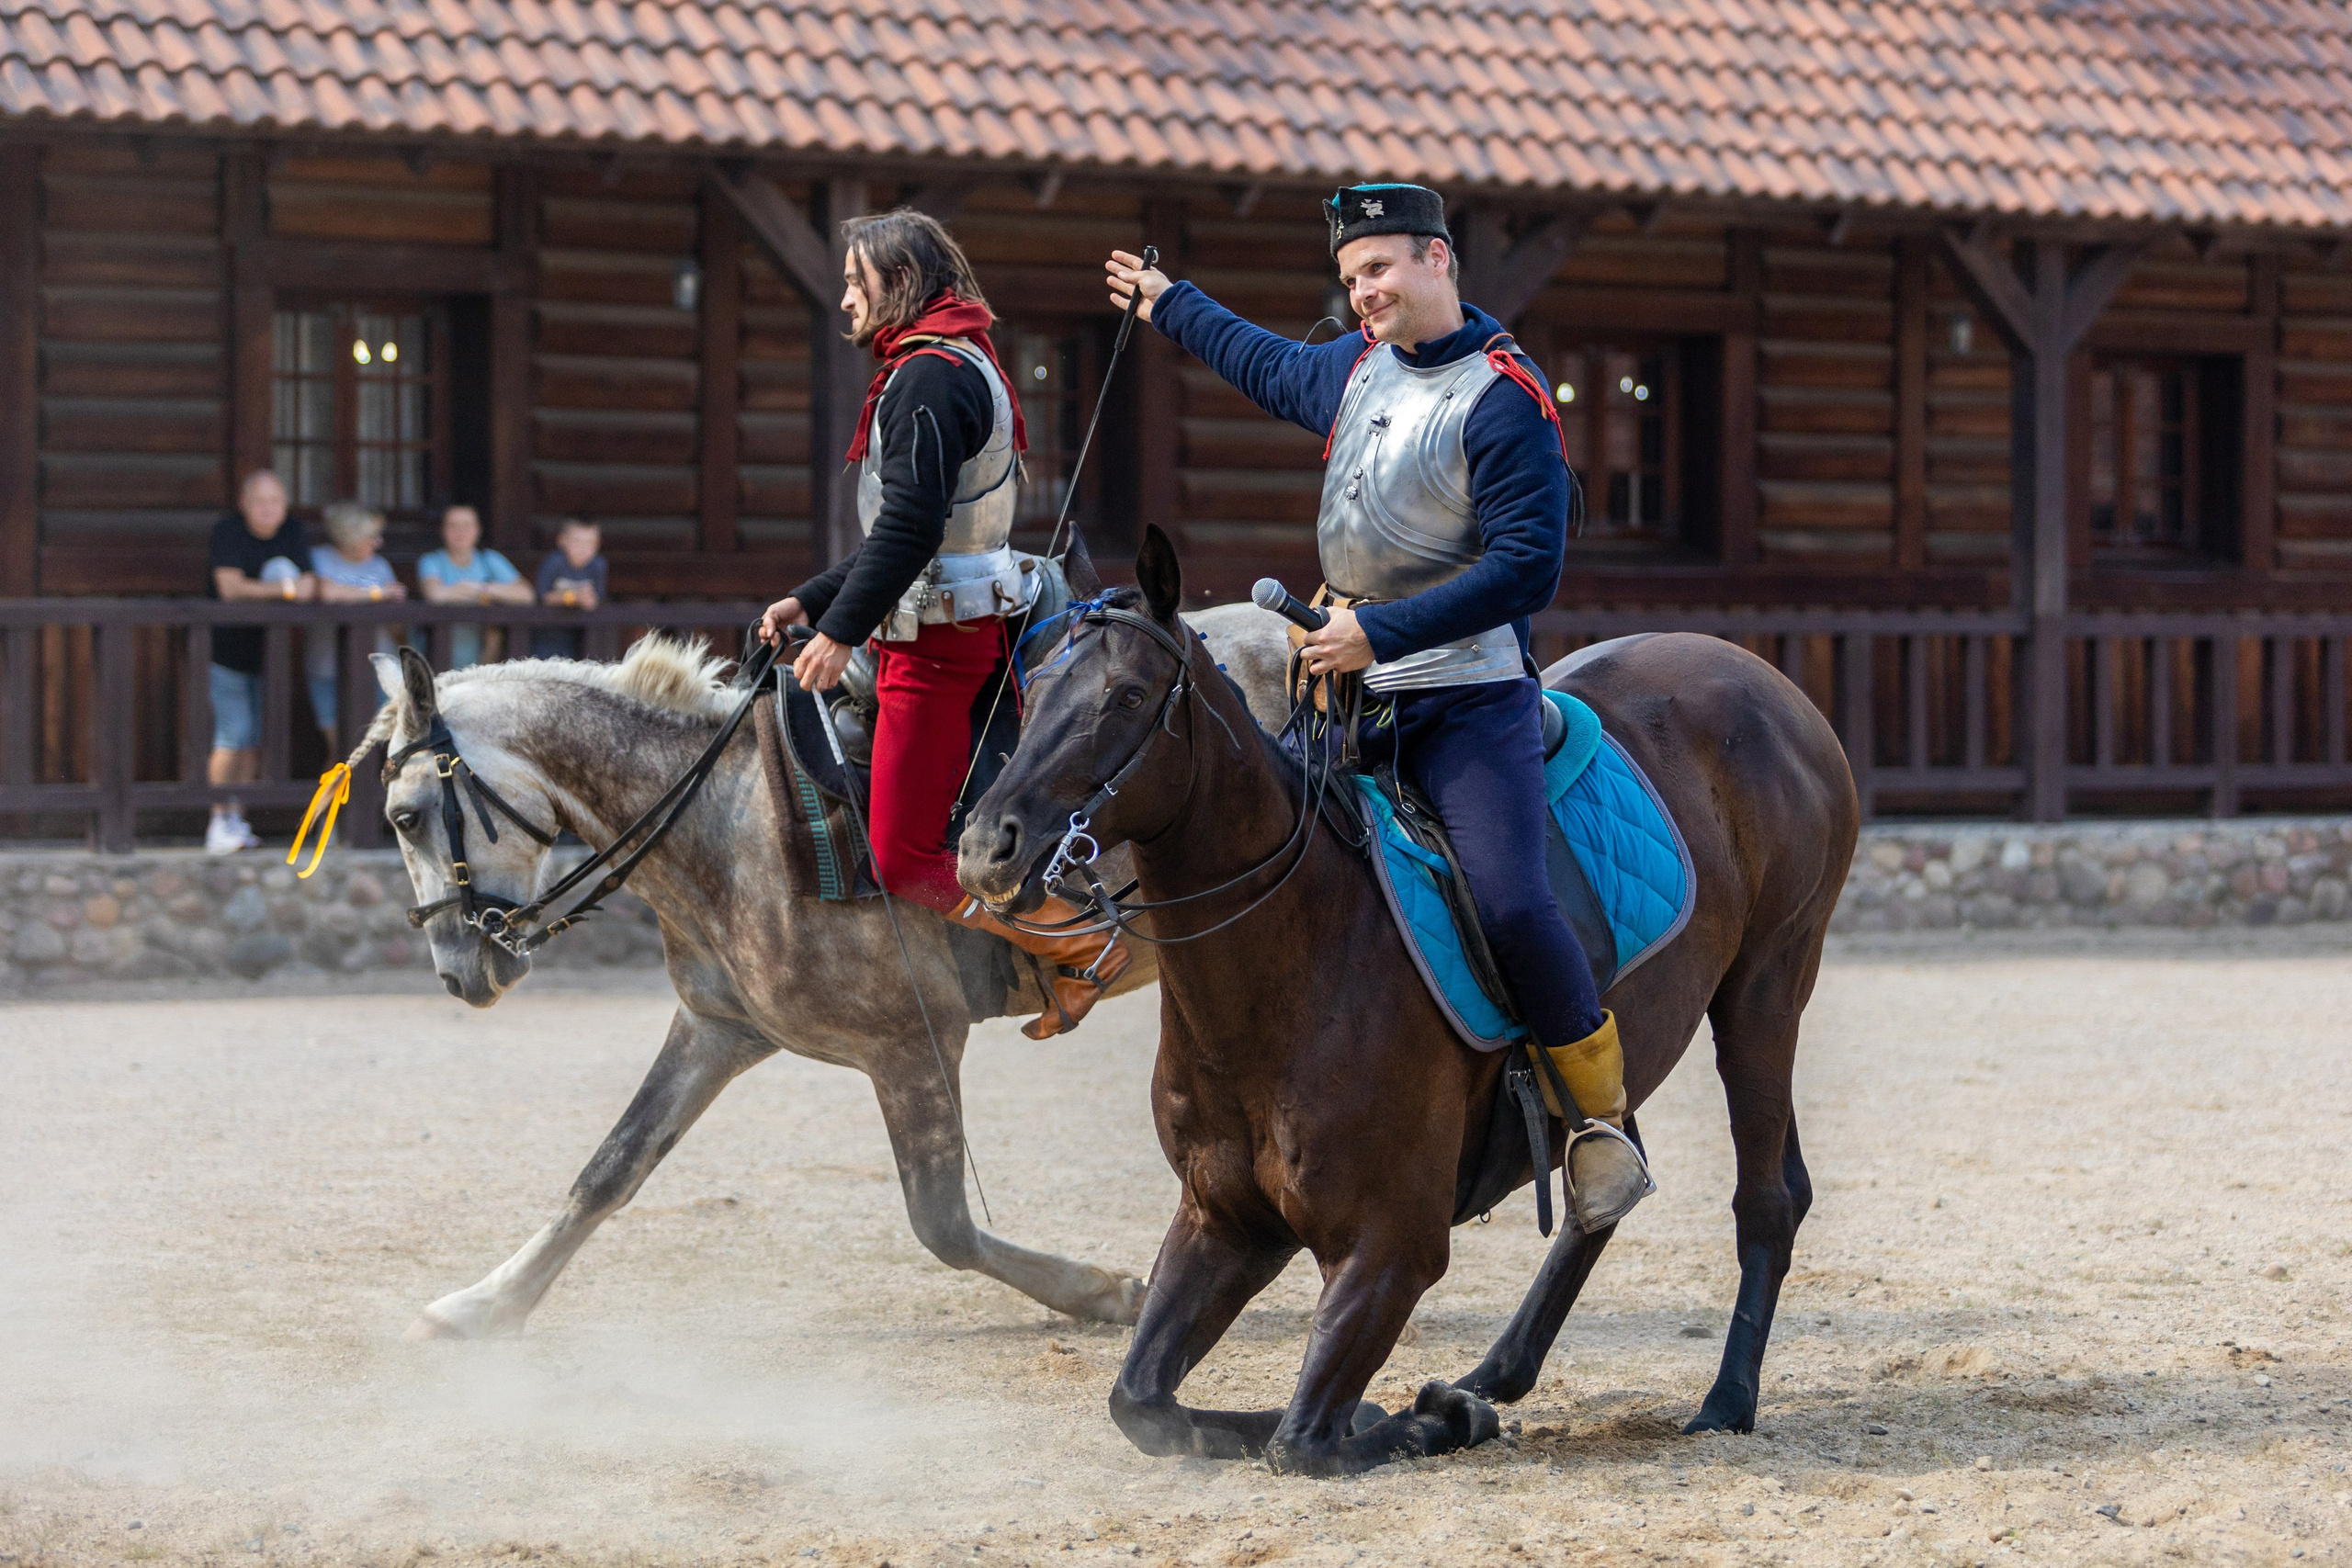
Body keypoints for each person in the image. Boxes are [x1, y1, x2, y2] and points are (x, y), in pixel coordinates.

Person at [1105, 184, 1652, 1215]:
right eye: (1351, 277)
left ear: (1437, 260)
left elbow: (1528, 568)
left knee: (1510, 902)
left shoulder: (1504, 397)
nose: (1362, 292)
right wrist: (1167, 301)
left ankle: (1598, 1121)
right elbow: (1260, 360)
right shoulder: (1356, 368)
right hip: (1343, 690)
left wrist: (1380, 631)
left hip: (1466, 701)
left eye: (1381, 269)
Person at [757, 209, 1126, 1041]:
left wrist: (840, 630)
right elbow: (923, 529)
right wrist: (814, 599)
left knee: (904, 855)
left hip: (932, 641)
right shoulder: (953, 358)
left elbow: (911, 532)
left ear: (901, 283)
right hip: (941, 617)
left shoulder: (926, 374)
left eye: (857, 280)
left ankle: (1081, 942)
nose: (845, 297)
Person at [205, 469, 313, 855]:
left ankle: (237, 816)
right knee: (232, 736)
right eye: (260, 502)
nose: (269, 509)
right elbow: (229, 588)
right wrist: (284, 590)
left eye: (276, 502)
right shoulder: (228, 532)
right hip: (226, 653)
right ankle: (218, 820)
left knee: (253, 741)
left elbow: (308, 587)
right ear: (244, 504)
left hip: (272, 658)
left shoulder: (293, 534)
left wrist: (279, 591)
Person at [308, 501, 405, 752]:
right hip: (328, 667)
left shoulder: (380, 565)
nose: (378, 542)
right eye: (371, 536)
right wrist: (378, 594)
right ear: (349, 537)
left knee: (384, 748)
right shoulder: (319, 559)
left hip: (378, 671)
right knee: (341, 749)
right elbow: (328, 593)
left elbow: (395, 615)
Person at [418, 503, 530, 668]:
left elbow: (526, 595)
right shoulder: (432, 561)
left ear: (478, 530)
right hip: (441, 652)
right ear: (443, 530)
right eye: (453, 525)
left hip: (486, 655)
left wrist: (476, 588)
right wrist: (487, 597)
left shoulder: (490, 559)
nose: (460, 532)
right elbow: (436, 595)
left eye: (467, 525)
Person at [530, 518, 606, 659]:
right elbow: (541, 596)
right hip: (547, 633)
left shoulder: (599, 565)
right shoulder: (553, 563)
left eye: (590, 543)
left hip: (579, 635)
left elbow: (598, 598)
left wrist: (590, 601)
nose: (583, 549)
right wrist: (572, 598)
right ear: (562, 541)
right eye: (577, 542)